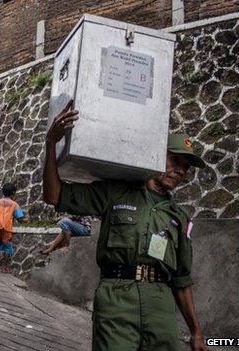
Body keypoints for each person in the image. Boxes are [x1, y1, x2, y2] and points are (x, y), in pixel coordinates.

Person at [42, 102, 208, 351]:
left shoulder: (180, 218)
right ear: (155, 154)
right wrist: (50, 145)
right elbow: (54, 195)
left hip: (160, 304)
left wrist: (196, 331)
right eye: (175, 160)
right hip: (116, 298)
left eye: (185, 167)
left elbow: (182, 278)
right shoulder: (116, 192)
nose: (180, 171)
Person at [0, 183, 28, 273]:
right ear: (13, 193)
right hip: (6, 226)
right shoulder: (14, 204)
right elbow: (20, 218)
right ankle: (4, 266)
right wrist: (26, 220)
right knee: (8, 246)